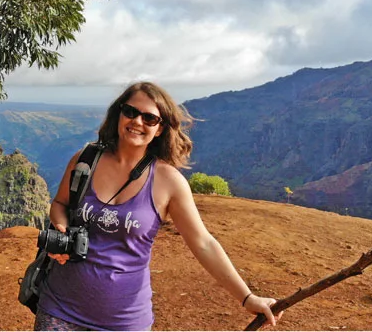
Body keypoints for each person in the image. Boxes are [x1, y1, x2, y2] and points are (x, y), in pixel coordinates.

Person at [35, 82, 282, 331]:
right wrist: (62, 229)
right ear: (119, 114)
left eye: (150, 118)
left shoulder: (168, 182)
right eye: (130, 112)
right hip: (60, 310)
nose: (137, 121)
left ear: (161, 128)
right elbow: (60, 204)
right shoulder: (85, 160)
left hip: (124, 321)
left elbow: (203, 243)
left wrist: (247, 297)